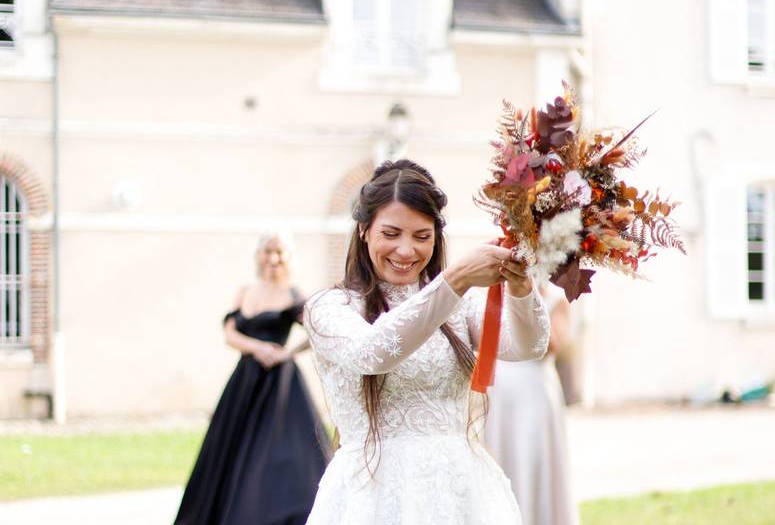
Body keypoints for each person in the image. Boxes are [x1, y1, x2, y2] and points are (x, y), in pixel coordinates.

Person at [303, 159, 550, 525]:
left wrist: (520, 287)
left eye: (422, 237)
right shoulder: (330, 307)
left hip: (458, 491)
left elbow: (527, 346)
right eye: (391, 234)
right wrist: (456, 279)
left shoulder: (458, 307)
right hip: (373, 495)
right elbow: (373, 353)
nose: (406, 251)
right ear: (363, 230)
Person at [175, 232, 331, 525]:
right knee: (231, 446)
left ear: (288, 257)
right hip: (245, 381)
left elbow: (317, 331)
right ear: (259, 255)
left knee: (279, 447)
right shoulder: (246, 291)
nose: (273, 258)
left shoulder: (294, 295)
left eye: (279, 252)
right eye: (268, 251)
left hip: (280, 385)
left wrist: (287, 354)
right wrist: (257, 347)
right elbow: (230, 334)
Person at [484, 283, 578, 525]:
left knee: (533, 454)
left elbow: (556, 344)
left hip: (535, 389)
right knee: (500, 452)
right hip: (501, 390)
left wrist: (530, 303)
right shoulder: (493, 294)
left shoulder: (556, 298)